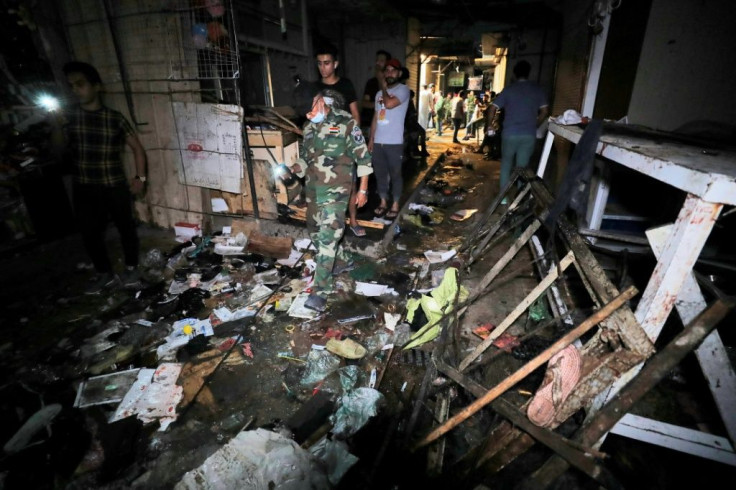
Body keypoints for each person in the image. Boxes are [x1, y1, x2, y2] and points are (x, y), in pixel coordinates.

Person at [51, 61, 147, 294]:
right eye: (72, 85)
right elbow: (57, 150)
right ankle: (105, 274)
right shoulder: (70, 118)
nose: (75, 90)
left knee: (126, 228)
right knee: (89, 233)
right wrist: (57, 126)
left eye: (81, 84)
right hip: (84, 185)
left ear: (96, 87)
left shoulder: (114, 118)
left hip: (113, 184)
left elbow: (137, 149)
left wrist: (140, 178)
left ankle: (132, 268)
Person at [286, 88, 372, 312]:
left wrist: (363, 191)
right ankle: (342, 259)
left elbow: (363, 158)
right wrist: (293, 169)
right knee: (315, 232)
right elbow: (306, 159)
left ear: (320, 101)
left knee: (325, 241)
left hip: (337, 193)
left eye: (310, 110)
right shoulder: (308, 128)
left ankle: (320, 292)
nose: (308, 116)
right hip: (313, 192)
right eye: (304, 114)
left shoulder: (345, 122)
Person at [314, 45, 365, 237]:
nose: (323, 68)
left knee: (349, 185)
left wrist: (352, 139)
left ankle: (352, 220)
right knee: (325, 185)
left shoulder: (346, 85)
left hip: (344, 144)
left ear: (335, 64)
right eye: (319, 64)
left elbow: (355, 115)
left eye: (327, 63)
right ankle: (330, 221)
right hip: (324, 146)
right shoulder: (315, 88)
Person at [488, 60, 549, 196]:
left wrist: (489, 125)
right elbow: (545, 111)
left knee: (506, 165)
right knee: (522, 168)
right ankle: (518, 200)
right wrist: (535, 124)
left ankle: (503, 199)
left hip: (510, 134)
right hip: (528, 134)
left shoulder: (509, 90)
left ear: (515, 75)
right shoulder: (537, 90)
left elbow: (493, 108)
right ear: (528, 73)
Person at [369, 58, 410, 220]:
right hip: (379, 141)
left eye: (393, 70)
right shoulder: (379, 94)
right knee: (380, 174)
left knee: (395, 174)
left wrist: (382, 86)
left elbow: (390, 104)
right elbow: (375, 117)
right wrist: (371, 139)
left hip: (394, 142)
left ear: (399, 73)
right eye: (386, 70)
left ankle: (395, 204)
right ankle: (383, 202)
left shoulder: (403, 90)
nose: (389, 73)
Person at [360, 49, 391, 135]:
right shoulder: (371, 83)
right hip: (369, 124)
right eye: (377, 60)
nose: (377, 63)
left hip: (386, 126)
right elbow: (364, 103)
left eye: (381, 61)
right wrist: (378, 105)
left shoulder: (391, 83)